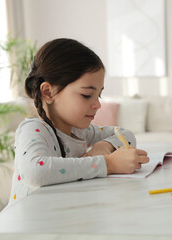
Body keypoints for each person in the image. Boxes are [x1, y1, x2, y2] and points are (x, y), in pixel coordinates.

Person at [8, 38, 149, 205]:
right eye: (87, 95)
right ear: (48, 92)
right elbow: (35, 172)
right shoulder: (33, 129)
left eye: (99, 95)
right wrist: (108, 163)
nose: (97, 105)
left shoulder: (80, 131)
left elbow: (125, 134)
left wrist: (103, 147)